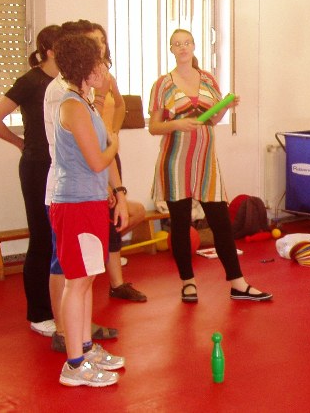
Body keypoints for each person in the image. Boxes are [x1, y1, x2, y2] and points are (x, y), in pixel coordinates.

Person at [148, 29, 271, 303]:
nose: (182, 48)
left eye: (186, 43)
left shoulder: (207, 80)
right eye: (176, 44)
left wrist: (226, 107)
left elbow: (212, 120)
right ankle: (187, 282)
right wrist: (177, 124)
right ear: (171, 49)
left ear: (193, 46)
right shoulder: (163, 84)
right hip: (175, 161)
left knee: (220, 222)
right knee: (180, 225)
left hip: (206, 162)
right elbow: (154, 127)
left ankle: (238, 283)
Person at [50, 34, 126, 387]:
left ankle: (85, 346)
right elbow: (97, 160)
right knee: (76, 282)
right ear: (84, 67)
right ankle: (74, 365)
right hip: (75, 205)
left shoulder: (88, 103)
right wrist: (114, 144)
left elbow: (93, 163)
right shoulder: (72, 106)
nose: (105, 69)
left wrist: (112, 192)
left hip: (91, 202)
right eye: (99, 62)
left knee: (88, 279)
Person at [0, 25, 62, 337]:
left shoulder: (63, 81)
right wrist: (21, 144)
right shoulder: (30, 81)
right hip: (36, 167)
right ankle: (39, 314)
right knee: (42, 237)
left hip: (60, 166)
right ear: (50, 50)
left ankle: (58, 305)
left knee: (59, 237)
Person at [88, 22, 148, 302]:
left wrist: (112, 131)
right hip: (92, 158)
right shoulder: (82, 79)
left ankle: (117, 283)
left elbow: (121, 105)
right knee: (101, 217)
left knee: (116, 216)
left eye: (102, 39)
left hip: (110, 152)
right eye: (93, 40)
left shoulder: (107, 76)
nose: (99, 44)